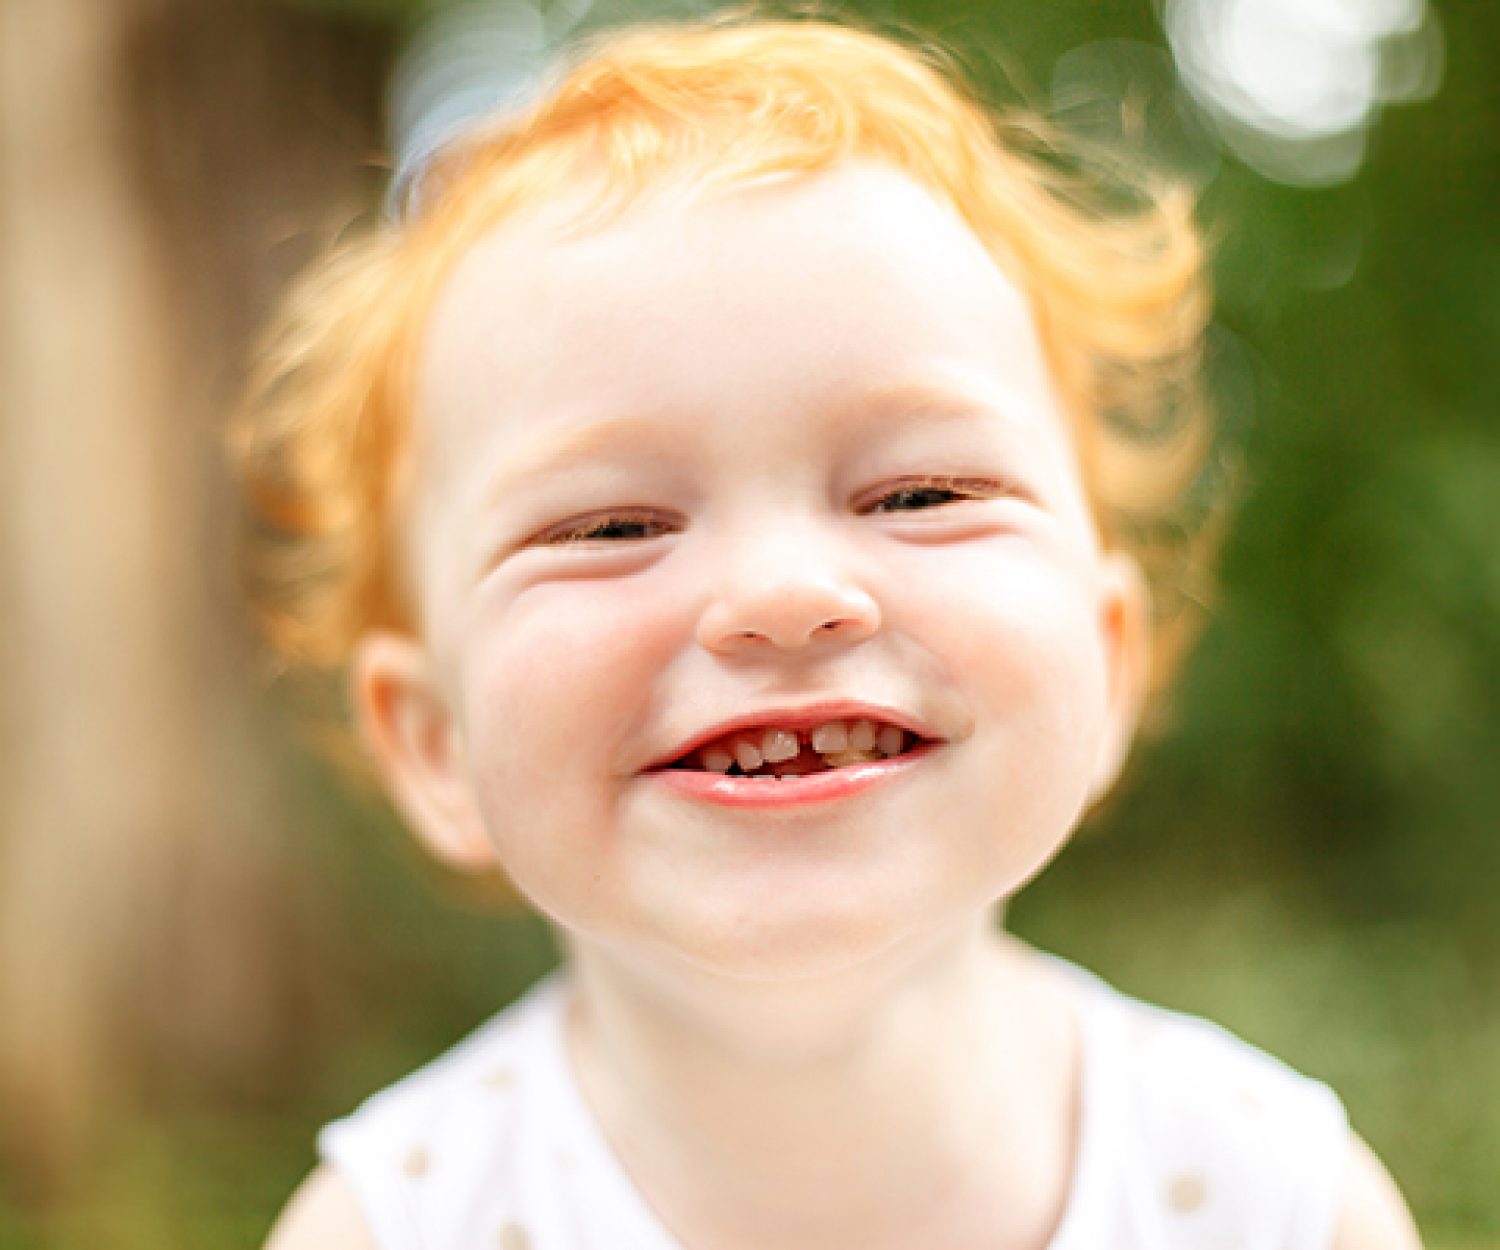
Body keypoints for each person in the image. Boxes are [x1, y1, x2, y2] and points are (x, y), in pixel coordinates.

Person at [233, 9, 1423, 1248]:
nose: (782, 590)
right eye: (608, 525)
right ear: (433, 741)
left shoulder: (1273, 1200)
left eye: (921, 494)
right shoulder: (398, 1225)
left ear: (1109, 658)